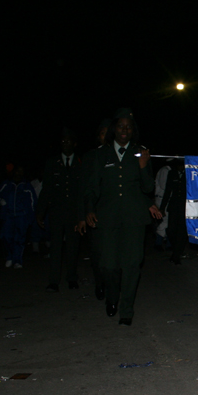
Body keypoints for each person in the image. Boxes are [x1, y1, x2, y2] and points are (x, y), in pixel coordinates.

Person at [84, 109, 161, 325]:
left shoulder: (140, 153)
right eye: (120, 126)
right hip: (107, 218)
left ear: (133, 130)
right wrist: (89, 209)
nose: (124, 130)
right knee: (108, 264)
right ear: (113, 129)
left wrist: (144, 167)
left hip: (134, 218)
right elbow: (92, 188)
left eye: (128, 126)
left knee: (131, 264)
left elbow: (147, 188)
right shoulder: (101, 154)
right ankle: (112, 297)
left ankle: (126, 309)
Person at [37, 128, 81, 292]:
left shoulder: (80, 162)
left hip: (74, 213)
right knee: (55, 247)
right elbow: (46, 189)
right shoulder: (52, 163)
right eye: (62, 141)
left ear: (74, 144)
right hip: (56, 212)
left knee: (72, 246)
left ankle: (72, 278)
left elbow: (82, 190)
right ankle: (53, 281)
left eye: (68, 141)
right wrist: (40, 211)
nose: (65, 144)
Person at [76, 118, 111, 300]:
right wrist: (82, 216)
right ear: (99, 137)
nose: (106, 136)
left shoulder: (120, 155)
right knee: (98, 253)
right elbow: (84, 187)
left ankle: (114, 285)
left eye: (108, 132)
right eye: (103, 133)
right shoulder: (90, 157)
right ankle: (100, 283)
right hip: (95, 213)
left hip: (115, 213)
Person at [0, 165, 36, 268]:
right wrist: (1, 201)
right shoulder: (7, 184)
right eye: (18, 171)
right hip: (8, 215)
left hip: (22, 215)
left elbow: (33, 201)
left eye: (21, 171)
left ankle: (17, 260)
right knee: (6, 236)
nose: (19, 173)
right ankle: (9, 257)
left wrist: (30, 216)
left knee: (20, 238)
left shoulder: (26, 185)